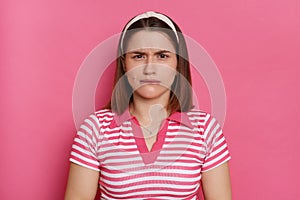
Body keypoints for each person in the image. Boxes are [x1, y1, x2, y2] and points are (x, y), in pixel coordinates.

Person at [65, 11, 232, 200]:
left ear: (178, 63)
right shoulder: (94, 130)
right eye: (138, 56)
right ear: (124, 63)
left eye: (162, 56)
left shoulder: (205, 129)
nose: (150, 68)